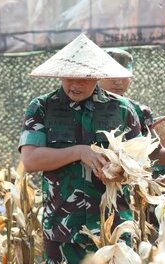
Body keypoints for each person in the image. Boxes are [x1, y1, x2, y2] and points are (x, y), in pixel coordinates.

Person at [19, 34, 141, 264]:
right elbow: (31, 160)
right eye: (69, 77)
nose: (75, 85)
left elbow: (139, 165)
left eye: (83, 78)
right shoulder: (42, 107)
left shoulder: (123, 110)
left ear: (97, 75)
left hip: (113, 227)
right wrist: (79, 152)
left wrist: (118, 170)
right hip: (63, 230)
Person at [99, 48, 165, 177]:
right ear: (97, 75)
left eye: (124, 74)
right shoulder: (78, 108)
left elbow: (156, 154)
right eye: (111, 74)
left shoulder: (140, 112)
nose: (118, 81)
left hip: (126, 190)